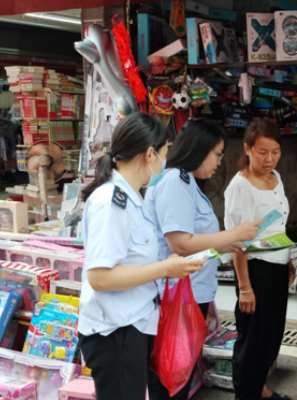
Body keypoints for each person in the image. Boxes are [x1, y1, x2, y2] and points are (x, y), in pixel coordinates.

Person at [78, 112, 205, 400]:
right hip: (114, 331)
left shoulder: (134, 197)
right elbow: (99, 277)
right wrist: (165, 269)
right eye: (164, 153)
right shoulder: (111, 202)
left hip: (132, 323)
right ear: (149, 154)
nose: (165, 161)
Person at [145, 118, 262, 400]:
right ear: (200, 149)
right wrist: (230, 235)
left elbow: (195, 242)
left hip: (188, 291)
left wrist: (231, 242)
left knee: (179, 373)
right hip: (175, 295)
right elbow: (180, 243)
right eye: (217, 153)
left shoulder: (187, 182)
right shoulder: (175, 181)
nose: (219, 161)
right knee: (171, 375)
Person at [224, 119, 294, 400]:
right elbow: (237, 242)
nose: (269, 159)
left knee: (271, 335)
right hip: (254, 270)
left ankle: (261, 390)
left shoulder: (276, 177)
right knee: (252, 339)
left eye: (275, 151)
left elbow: (278, 226)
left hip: (277, 266)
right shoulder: (240, 186)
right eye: (262, 152)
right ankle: (246, 395)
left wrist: (288, 258)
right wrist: (244, 287)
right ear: (248, 149)